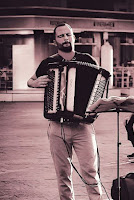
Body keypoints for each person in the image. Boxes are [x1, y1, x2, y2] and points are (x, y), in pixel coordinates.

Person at [27, 23, 103, 200]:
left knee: (91, 171)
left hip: (83, 126)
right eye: (60, 36)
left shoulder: (89, 60)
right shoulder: (48, 63)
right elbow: (30, 80)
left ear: (74, 37)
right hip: (56, 126)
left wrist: (95, 108)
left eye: (68, 35)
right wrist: (35, 83)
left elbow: (98, 89)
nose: (65, 38)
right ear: (55, 41)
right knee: (63, 174)